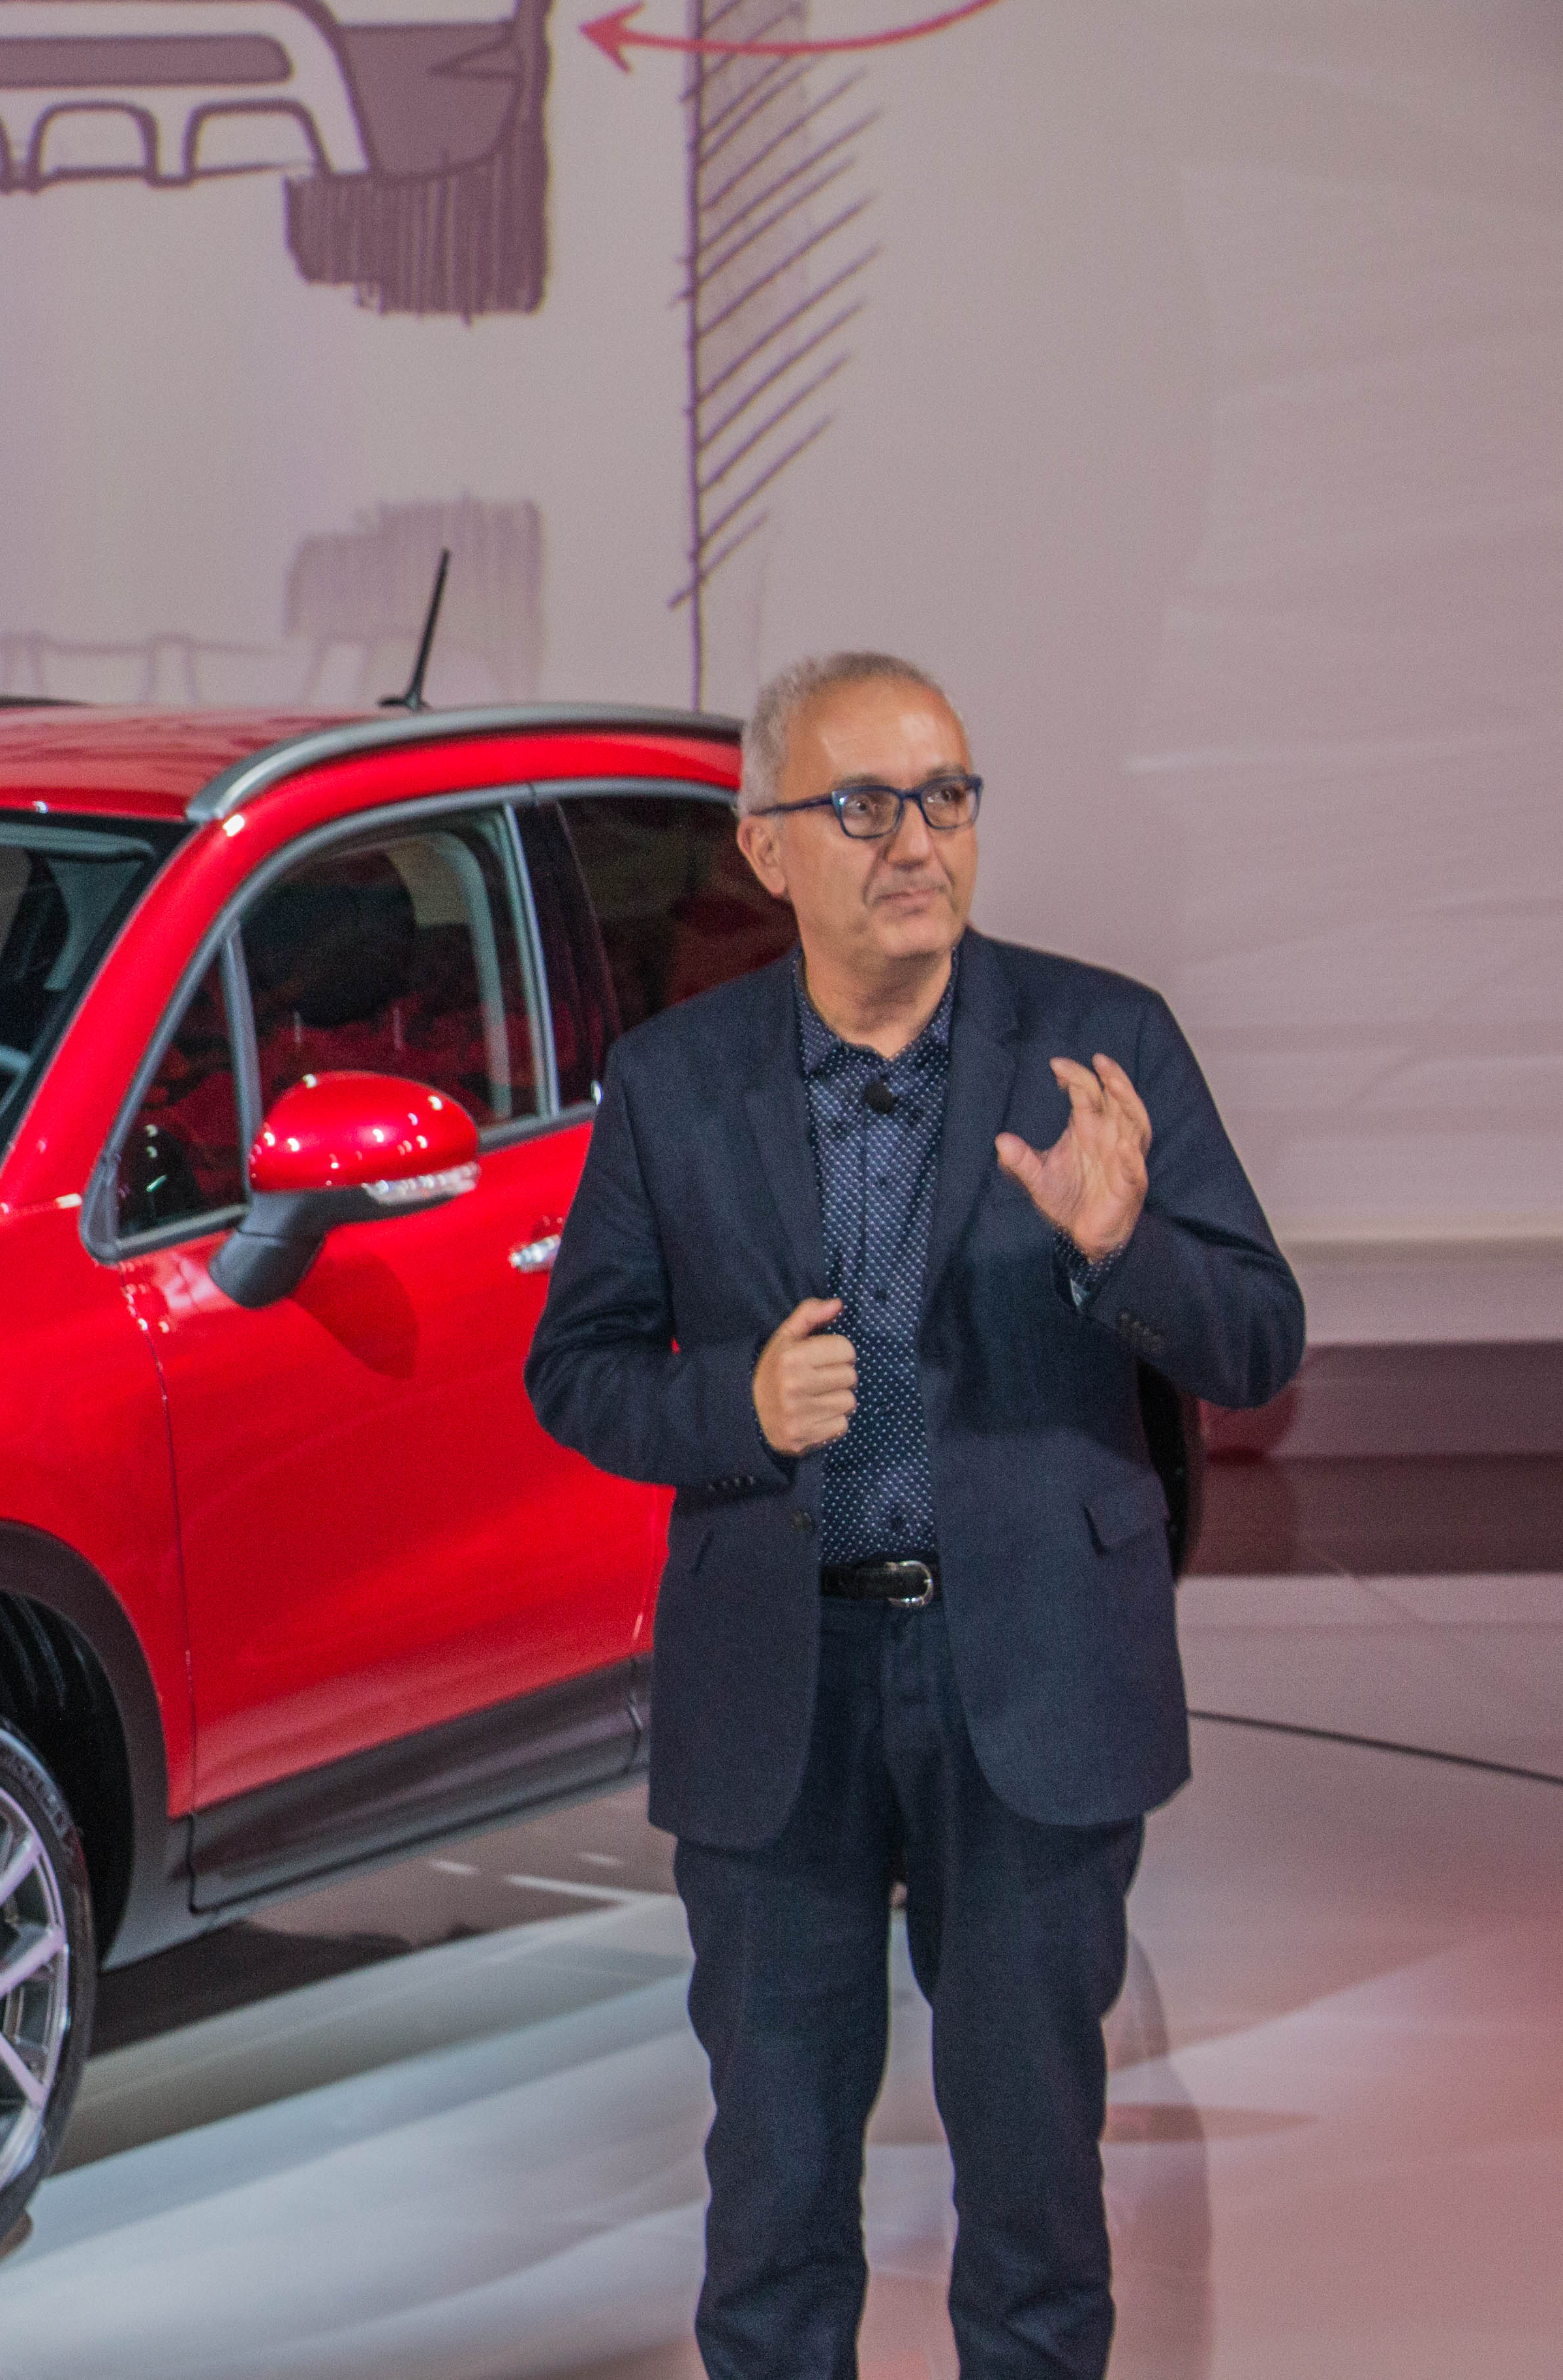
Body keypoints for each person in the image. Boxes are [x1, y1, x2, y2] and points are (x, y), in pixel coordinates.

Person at [523, 652, 1303, 2378]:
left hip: (1030, 1681)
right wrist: (732, 1409)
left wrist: (1121, 1245)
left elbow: (1258, 1338)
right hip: (779, 1692)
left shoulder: (1102, 1044)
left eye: (945, 797)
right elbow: (574, 1370)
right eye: (864, 805)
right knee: (775, 2201)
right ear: (767, 847)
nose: (916, 842)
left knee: (1033, 2206)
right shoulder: (676, 1080)